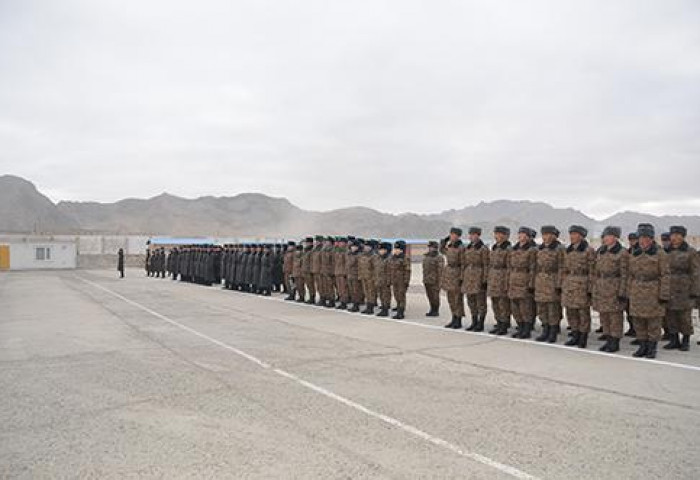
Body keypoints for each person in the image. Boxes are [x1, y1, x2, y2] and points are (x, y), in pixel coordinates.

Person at [628, 223, 670, 359]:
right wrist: (629, 291)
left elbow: (665, 275)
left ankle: (652, 348)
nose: (642, 240)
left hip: (653, 291)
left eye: (646, 237)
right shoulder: (635, 253)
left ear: (651, 239)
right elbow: (630, 274)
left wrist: (664, 294)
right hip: (637, 291)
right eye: (640, 237)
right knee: (638, 320)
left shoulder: (660, 254)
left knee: (653, 322)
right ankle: (642, 346)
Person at [592, 226, 629, 353]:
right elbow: (595, 271)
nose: (605, 238)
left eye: (608, 236)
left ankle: (615, 342)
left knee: (615, 317)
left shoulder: (622, 253)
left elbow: (625, 274)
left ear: (615, 237)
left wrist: (622, 291)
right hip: (602, 286)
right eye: (604, 236)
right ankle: (608, 339)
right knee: (604, 315)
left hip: (614, 286)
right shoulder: (601, 251)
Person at [663, 225, 698, 351]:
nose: (675, 237)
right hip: (669, 287)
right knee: (670, 315)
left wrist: (695, 290)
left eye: (678, 235)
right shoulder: (666, 251)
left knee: (684, 316)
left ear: (683, 237)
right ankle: (674, 339)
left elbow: (695, 272)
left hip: (684, 288)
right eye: (673, 235)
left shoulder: (690, 252)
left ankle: (686, 340)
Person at [562, 225, 595, 349]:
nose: (572, 236)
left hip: (582, 283)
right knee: (571, 311)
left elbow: (592, 271)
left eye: (574, 234)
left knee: (582, 312)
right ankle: (575, 335)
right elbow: (564, 268)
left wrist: (590, 288)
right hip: (569, 283)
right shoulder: (568, 250)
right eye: (571, 234)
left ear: (581, 236)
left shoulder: (588, 250)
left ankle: (583, 337)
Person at [535, 226, 565, 343]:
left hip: (552, 281)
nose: (545, 237)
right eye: (544, 235)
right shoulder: (540, 249)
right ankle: (545, 329)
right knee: (542, 308)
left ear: (554, 236)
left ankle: (553, 332)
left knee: (553, 308)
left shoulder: (559, 249)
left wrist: (559, 284)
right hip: (541, 281)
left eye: (548, 234)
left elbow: (562, 267)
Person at [508, 227, 538, 338]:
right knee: (515, 307)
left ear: (528, 236)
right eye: (519, 233)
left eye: (523, 234)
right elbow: (509, 266)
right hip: (513, 280)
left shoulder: (532, 250)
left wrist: (531, 284)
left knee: (525, 307)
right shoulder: (514, 249)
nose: (521, 236)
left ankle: (526, 330)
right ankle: (520, 327)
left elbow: (533, 268)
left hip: (524, 280)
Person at [462, 227, 489, 332]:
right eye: (470, 234)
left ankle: (480, 323)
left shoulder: (483, 248)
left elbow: (486, 265)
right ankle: (474, 321)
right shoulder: (468, 248)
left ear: (478, 235)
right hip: (469, 277)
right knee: (471, 301)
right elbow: (465, 263)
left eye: (473, 234)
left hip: (479, 277)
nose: (471, 237)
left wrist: (485, 280)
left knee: (480, 302)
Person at [487, 226, 511, 335]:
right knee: (495, 302)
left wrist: (507, 282)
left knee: (503, 304)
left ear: (506, 236)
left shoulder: (509, 248)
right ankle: (499, 322)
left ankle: (504, 325)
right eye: (496, 233)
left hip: (503, 277)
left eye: (500, 234)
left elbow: (510, 266)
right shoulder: (494, 247)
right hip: (493, 277)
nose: (497, 236)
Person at [441, 227, 465, 329]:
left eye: (453, 234)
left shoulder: (461, 247)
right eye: (450, 234)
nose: (451, 236)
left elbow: (464, 263)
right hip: (449, 274)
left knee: (457, 299)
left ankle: (458, 320)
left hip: (457, 273)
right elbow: (442, 250)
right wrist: (444, 241)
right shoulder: (450, 246)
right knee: (450, 298)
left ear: (458, 236)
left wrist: (462, 277)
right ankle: (453, 318)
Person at [388, 240, 411, 319]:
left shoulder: (405, 258)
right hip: (394, 280)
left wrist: (406, 282)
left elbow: (407, 271)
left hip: (401, 281)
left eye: (398, 249)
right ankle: (398, 307)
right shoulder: (393, 257)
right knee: (396, 295)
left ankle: (401, 312)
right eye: (395, 249)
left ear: (402, 250)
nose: (396, 250)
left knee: (401, 296)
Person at [422, 241, 445, 317]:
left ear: (435, 248)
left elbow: (440, 270)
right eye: (429, 247)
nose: (430, 248)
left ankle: (436, 310)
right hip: (427, 280)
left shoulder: (439, 257)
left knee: (435, 296)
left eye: (431, 247)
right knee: (430, 296)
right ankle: (432, 309)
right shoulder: (426, 256)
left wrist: (439, 282)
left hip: (435, 280)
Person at [359, 240, 377, 314]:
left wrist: (374, 277)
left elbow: (376, 268)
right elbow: (360, 267)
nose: (366, 248)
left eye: (368, 246)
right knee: (366, 292)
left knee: (371, 292)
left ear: (371, 247)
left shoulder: (374, 256)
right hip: (364, 277)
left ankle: (371, 307)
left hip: (371, 277)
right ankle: (368, 306)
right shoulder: (362, 255)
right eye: (365, 246)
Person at [374, 241, 392, 317]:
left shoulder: (389, 259)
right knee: (381, 294)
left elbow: (390, 271)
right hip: (379, 279)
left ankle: (385, 309)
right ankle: (383, 306)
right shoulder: (378, 258)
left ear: (386, 250)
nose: (380, 251)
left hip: (385, 280)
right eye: (379, 250)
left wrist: (389, 280)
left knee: (385, 295)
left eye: (382, 250)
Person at [346, 239, 363, 312]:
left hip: (356, 275)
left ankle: (356, 305)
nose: (353, 248)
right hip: (350, 274)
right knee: (352, 290)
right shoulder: (350, 254)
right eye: (352, 246)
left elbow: (354, 264)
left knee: (356, 291)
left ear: (357, 247)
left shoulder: (359, 255)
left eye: (354, 246)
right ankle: (354, 303)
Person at [334, 238, 350, 309]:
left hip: (343, 273)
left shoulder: (346, 252)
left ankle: (344, 302)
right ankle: (341, 301)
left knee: (344, 289)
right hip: (338, 272)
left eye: (341, 242)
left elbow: (347, 263)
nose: (340, 244)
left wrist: (346, 273)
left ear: (345, 243)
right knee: (339, 289)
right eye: (339, 242)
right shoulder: (338, 251)